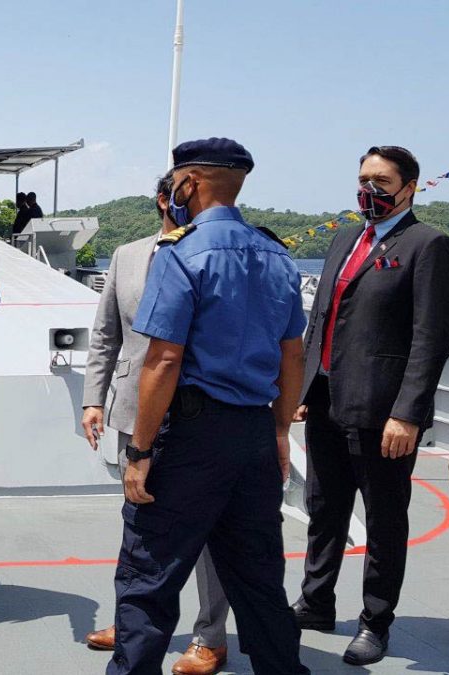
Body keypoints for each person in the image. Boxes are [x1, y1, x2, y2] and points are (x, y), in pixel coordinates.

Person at [110, 138, 309, 675]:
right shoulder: (278, 255)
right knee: (260, 579)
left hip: (190, 438)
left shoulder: (181, 253)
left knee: (148, 576)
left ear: (189, 183)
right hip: (253, 434)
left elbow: (163, 360)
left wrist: (141, 451)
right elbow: (293, 357)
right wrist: (280, 429)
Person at [292, 145, 449, 666]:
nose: (369, 189)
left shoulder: (428, 246)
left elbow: (430, 339)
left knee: (384, 518)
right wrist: (301, 388)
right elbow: (321, 318)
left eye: (382, 181)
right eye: (363, 178)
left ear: (409, 187)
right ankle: (316, 600)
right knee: (324, 508)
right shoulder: (346, 238)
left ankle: (375, 620)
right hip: (326, 399)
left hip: (384, 410)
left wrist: (408, 412)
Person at [81, 174, 231, 675]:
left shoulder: (216, 252)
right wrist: (93, 399)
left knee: (208, 533)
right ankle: (131, 625)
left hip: (198, 413)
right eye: (180, 195)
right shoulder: (127, 255)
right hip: (132, 410)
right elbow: (105, 335)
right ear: (165, 200)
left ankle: (210, 637)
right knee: (139, 530)